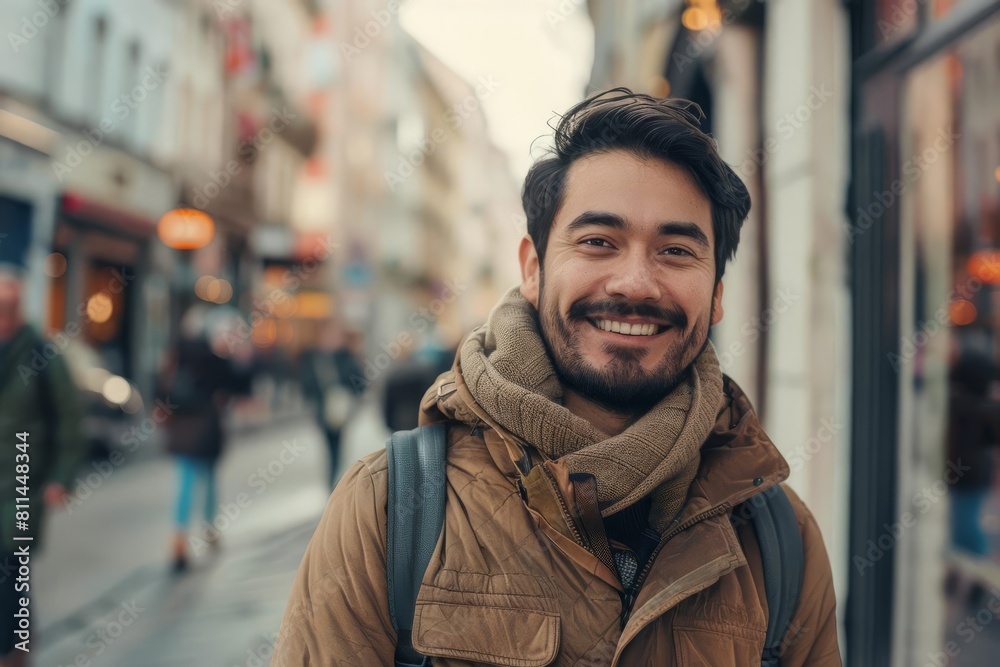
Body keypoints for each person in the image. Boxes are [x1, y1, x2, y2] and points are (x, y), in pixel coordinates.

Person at [273, 89, 841, 665]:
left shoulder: (779, 542)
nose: (635, 283)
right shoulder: (389, 512)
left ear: (717, 295)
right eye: (598, 242)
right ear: (533, 269)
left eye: (675, 251)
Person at [0, 265, 85, 667]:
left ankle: (17, 652)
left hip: (21, 478)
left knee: (14, 567)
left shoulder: (41, 353)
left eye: (10, 305)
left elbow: (68, 418)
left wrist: (61, 477)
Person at [160, 306, 241, 572]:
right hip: (205, 430)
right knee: (208, 480)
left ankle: (179, 538)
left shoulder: (176, 354)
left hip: (182, 430)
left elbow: (162, 389)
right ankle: (209, 528)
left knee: (186, 482)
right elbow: (231, 388)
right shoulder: (215, 359)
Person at [300, 323, 364, 487]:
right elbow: (306, 383)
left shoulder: (345, 357)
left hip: (341, 410)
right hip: (323, 411)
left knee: (339, 447)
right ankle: (334, 482)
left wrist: (346, 392)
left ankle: (336, 481)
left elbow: (359, 381)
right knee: (330, 448)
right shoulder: (313, 357)